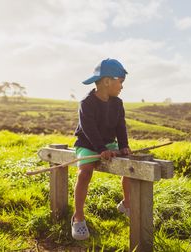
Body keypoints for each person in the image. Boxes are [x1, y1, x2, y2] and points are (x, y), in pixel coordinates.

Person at [72, 58, 131, 240]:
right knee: (85, 173)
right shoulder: (87, 103)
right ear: (107, 81)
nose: (122, 86)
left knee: (130, 167)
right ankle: (78, 217)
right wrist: (100, 149)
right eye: (120, 82)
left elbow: (121, 125)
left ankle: (127, 203)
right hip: (88, 144)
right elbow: (89, 129)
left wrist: (123, 146)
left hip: (108, 144)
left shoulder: (117, 103)